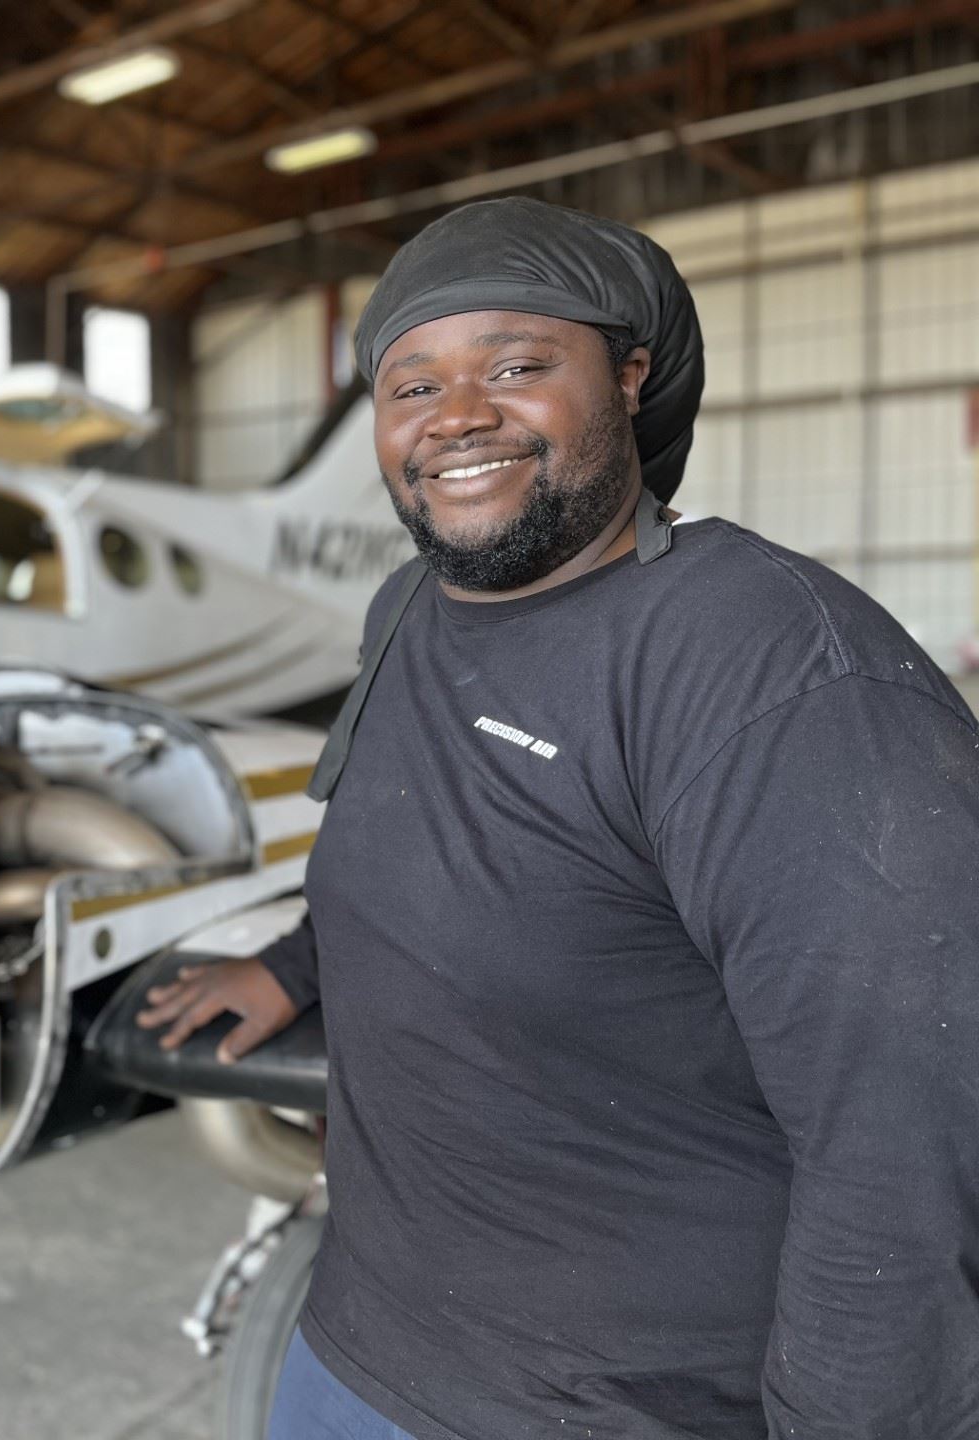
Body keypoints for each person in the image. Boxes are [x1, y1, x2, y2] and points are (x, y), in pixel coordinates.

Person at [138, 195, 979, 1439]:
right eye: (410, 386)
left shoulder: (765, 668)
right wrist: (293, 963)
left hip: (624, 1406)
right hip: (354, 1358)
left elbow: (909, 1138)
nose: (458, 416)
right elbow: (447, 842)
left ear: (632, 376)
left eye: (518, 367)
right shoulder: (409, 614)